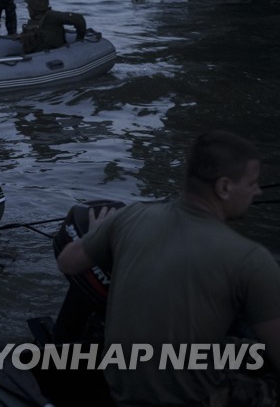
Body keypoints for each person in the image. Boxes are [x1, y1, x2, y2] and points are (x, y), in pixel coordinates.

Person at [57, 130, 280, 406]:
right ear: (224, 187)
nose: (257, 191)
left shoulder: (130, 216)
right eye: (252, 183)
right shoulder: (252, 259)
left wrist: (98, 234)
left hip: (120, 395)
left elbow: (66, 261)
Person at [19, 0, 87, 54]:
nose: (27, 8)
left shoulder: (52, 16)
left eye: (29, 6)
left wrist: (79, 40)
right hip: (38, 55)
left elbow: (79, 19)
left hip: (55, 53)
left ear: (35, 8)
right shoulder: (33, 21)